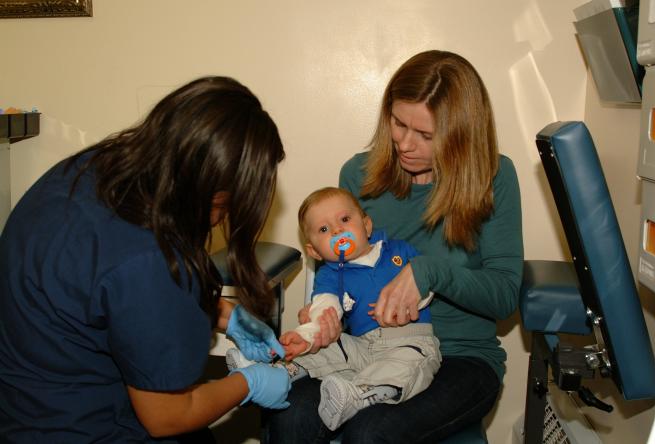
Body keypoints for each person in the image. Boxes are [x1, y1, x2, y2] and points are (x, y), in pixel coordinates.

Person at [0, 76, 293, 443]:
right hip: (82, 428)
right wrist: (247, 383)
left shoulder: (91, 170)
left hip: (21, 411)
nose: (220, 218)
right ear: (208, 190)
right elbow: (168, 416)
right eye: (226, 205)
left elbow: (103, 296)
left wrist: (223, 312)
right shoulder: (149, 257)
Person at [265, 50, 523, 443]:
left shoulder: (494, 177)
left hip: (462, 358)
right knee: (288, 417)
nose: (404, 144)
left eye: (425, 135)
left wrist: (428, 272)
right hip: (368, 347)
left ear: (461, 135)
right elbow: (339, 271)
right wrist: (326, 312)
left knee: (371, 433)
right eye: (398, 124)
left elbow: (505, 296)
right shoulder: (359, 175)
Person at [226, 186, 441, 431]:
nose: (338, 230)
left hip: (410, 341)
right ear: (315, 251)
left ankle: (358, 395)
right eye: (324, 229)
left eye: (345, 220)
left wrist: (413, 300)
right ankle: (269, 372)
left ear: (367, 225)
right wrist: (306, 336)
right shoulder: (329, 275)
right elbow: (324, 311)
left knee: (405, 365)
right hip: (361, 344)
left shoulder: (399, 251)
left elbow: (427, 282)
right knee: (325, 348)